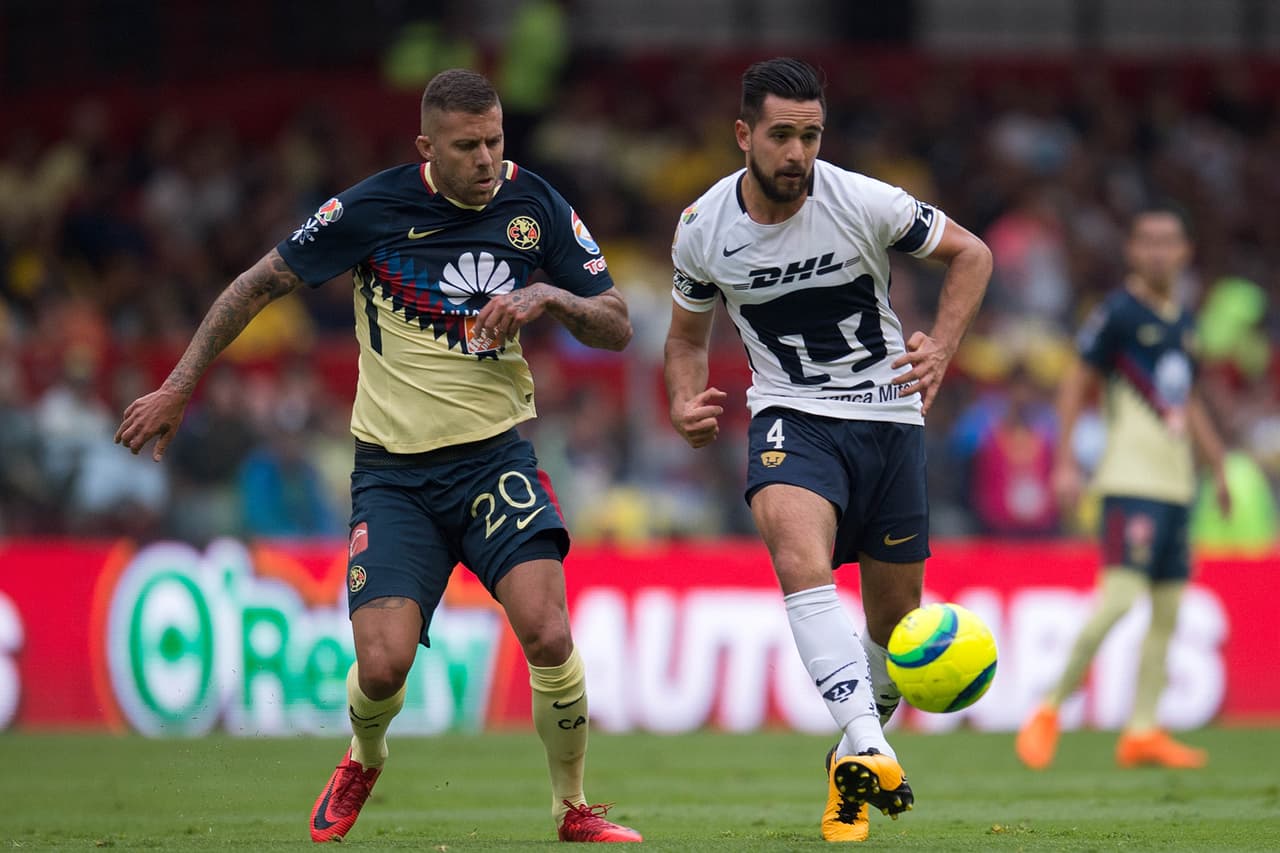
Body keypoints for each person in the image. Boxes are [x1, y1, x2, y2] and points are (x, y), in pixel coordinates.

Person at [116, 68, 642, 844]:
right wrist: (180, 382)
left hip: (495, 462)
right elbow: (258, 285)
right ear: (427, 146)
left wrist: (551, 298)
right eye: (468, 147)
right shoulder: (371, 207)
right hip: (395, 477)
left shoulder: (536, 205)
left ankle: (573, 808)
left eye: (496, 141)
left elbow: (618, 323)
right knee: (385, 665)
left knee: (550, 634)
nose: (487, 160)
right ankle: (365, 754)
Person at [663, 58, 991, 843]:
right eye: (781, 135)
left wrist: (941, 348)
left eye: (810, 135)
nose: (798, 154)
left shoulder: (862, 199)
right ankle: (874, 747)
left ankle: (851, 761)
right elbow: (684, 338)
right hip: (791, 415)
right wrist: (683, 396)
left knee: (894, 625)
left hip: (889, 420)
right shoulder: (703, 229)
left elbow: (972, 254)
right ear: (744, 134)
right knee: (800, 562)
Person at [1015, 205, 1231, 771]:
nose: (1159, 251)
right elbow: (1074, 383)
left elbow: (1189, 404)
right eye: (1148, 241)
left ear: (1185, 252)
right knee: (1118, 600)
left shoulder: (1184, 321)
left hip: (1178, 487)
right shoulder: (1117, 314)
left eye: (1169, 241)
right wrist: (1063, 462)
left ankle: (1142, 729)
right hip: (1129, 481)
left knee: (1167, 611)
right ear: (1133, 251)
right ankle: (1050, 706)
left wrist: (1220, 467)